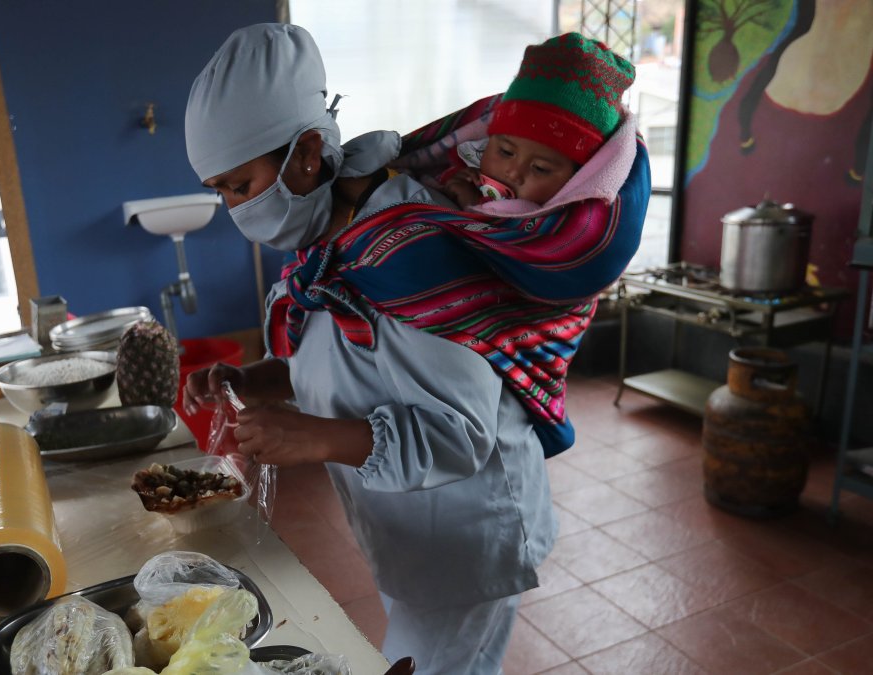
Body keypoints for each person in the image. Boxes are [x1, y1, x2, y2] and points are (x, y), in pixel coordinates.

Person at [182, 24, 649, 675]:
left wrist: (314, 437)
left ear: (308, 153)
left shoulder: (409, 251)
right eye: (220, 189)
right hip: (410, 526)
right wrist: (256, 379)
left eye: (239, 184)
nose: (232, 206)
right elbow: (349, 362)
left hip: (465, 537)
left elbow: (461, 435)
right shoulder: (330, 237)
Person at [435, 33, 635, 210]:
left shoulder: (569, 226)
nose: (513, 173)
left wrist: (474, 206)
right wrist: (453, 182)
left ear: (578, 178)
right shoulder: (473, 175)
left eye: (540, 168)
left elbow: (507, 240)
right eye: (505, 151)